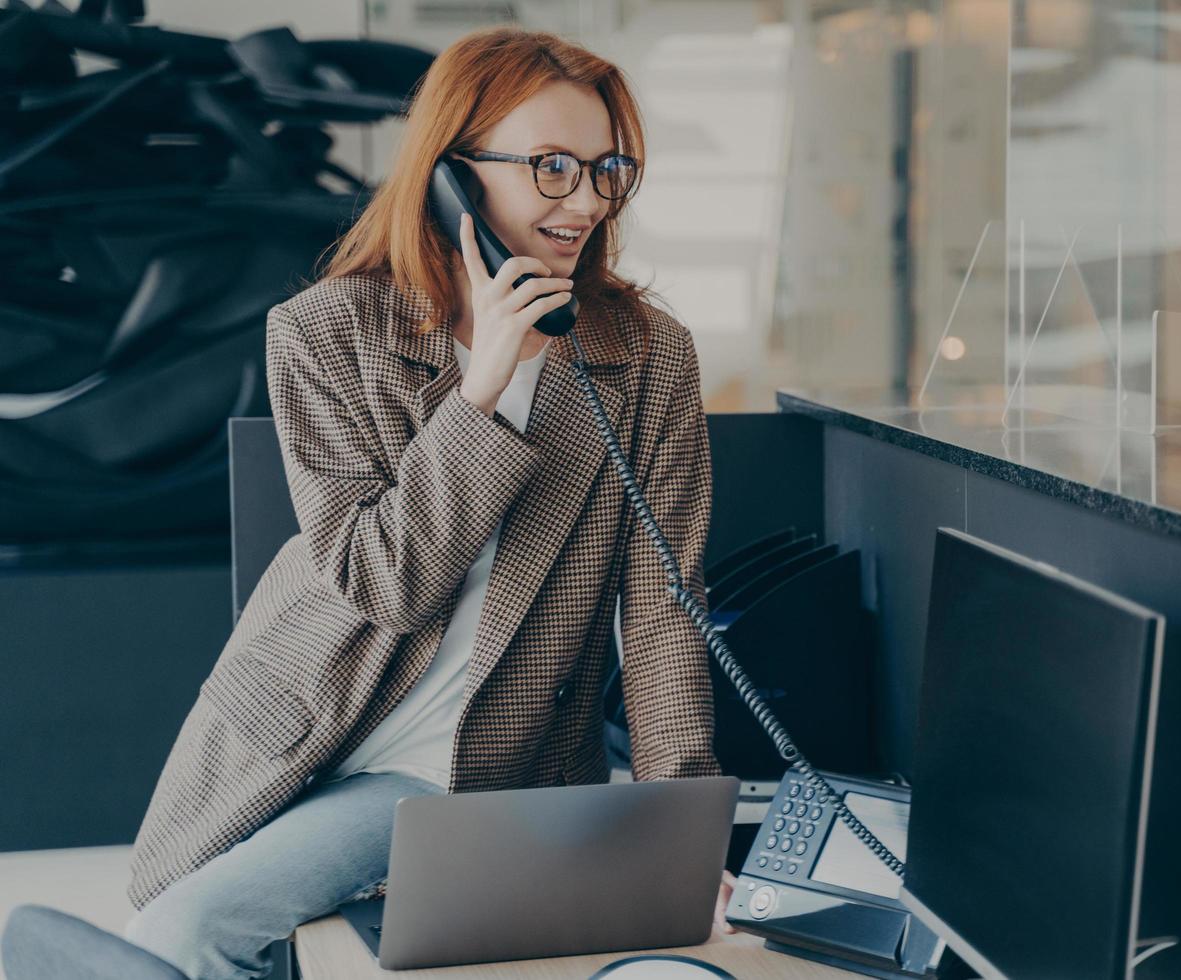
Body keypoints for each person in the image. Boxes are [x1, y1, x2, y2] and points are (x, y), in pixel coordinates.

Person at [121, 27, 736, 980]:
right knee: (183, 931)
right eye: (552, 167)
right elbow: (385, 580)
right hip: (309, 729)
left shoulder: (644, 352)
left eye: (605, 169)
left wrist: (677, 829)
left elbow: (663, 607)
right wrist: (479, 393)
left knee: (197, 933)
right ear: (453, 174)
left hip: (475, 767)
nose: (585, 201)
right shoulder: (325, 330)